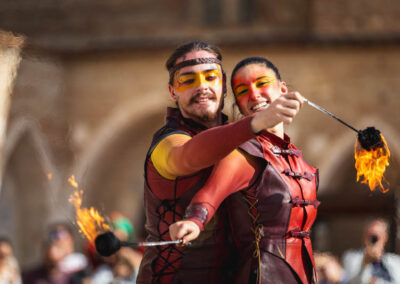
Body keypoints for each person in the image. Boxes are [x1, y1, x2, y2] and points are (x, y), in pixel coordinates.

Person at [137, 43, 304, 284]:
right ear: (173, 92)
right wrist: (257, 122)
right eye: (188, 80)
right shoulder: (166, 142)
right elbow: (189, 155)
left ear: (223, 85)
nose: (202, 86)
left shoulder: (243, 142)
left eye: (210, 77)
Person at [22, 223, 88, 284]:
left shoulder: (78, 273)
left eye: (59, 247)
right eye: (48, 246)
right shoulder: (31, 276)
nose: (53, 251)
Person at [342, 218, 400, 284]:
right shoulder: (351, 257)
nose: (374, 240)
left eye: (377, 236)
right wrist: (365, 263)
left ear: (385, 238)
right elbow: (351, 281)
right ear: (364, 236)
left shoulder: (396, 261)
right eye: (371, 236)